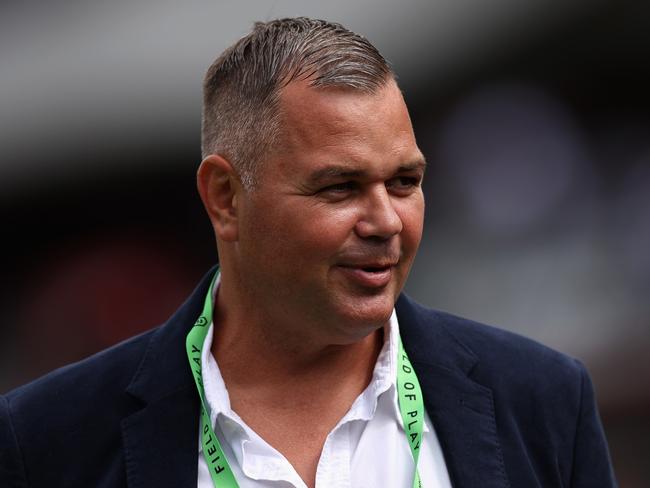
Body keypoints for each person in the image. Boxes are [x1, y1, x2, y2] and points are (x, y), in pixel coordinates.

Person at [0, 17, 616, 488]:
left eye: (404, 182)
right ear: (225, 198)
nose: (385, 221)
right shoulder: (47, 438)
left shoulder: (544, 401)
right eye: (340, 187)